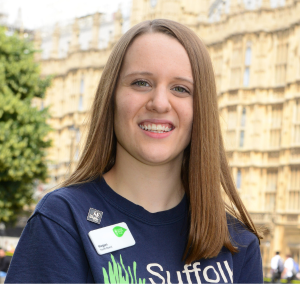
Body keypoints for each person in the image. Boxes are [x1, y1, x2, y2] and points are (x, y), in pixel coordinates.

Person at [5, 19, 263, 283]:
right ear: (112, 96)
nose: (160, 103)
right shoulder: (64, 220)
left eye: (180, 89)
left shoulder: (237, 243)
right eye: (141, 83)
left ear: (202, 109)